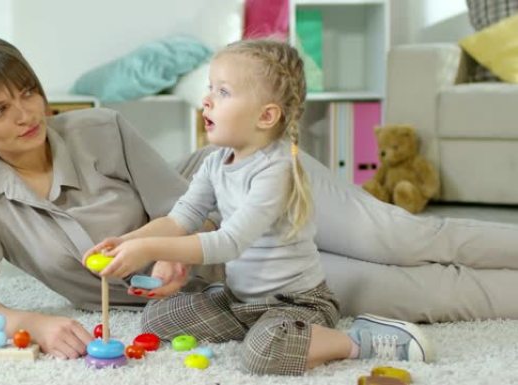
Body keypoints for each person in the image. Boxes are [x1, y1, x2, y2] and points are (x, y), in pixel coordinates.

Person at [0, 33, 518, 363]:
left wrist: (158, 250)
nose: (26, 115)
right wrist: (32, 323)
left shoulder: (99, 128)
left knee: (403, 238)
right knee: (421, 292)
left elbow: (192, 208)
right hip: (235, 283)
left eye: (29, 93)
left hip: (246, 192)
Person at [84, 39, 436, 375]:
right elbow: (181, 219)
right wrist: (125, 241)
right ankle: (265, 330)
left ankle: (357, 341)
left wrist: (147, 248)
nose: (206, 100)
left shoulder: (277, 169)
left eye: (222, 92)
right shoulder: (215, 162)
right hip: (240, 300)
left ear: (266, 116)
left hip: (297, 303)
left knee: (262, 355)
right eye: (210, 88)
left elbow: (229, 243)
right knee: (158, 319)